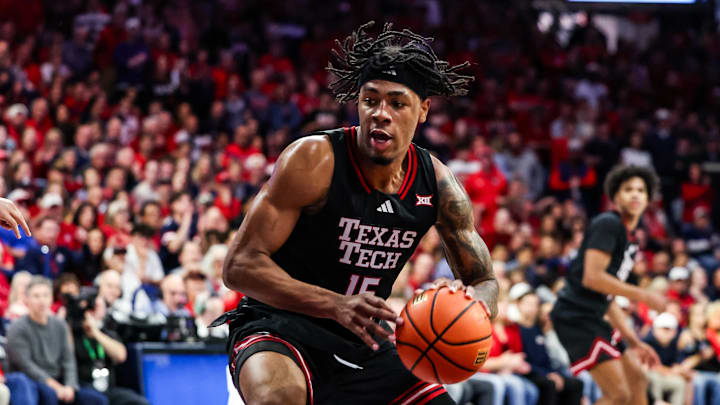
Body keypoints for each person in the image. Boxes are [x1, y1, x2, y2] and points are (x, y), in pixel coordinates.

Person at [212, 21, 498, 405]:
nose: (381, 113)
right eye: (370, 100)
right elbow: (239, 267)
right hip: (277, 326)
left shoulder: (439, 185)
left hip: (363, 340)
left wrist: (472, 306)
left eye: (397, 103)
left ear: (424, 110)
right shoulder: (314, 159)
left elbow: (484, 280)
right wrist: (335, 304)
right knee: (280, 399)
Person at [550, 165, 667, 405]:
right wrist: (644, 295)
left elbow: (607, 297)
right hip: (575, 315)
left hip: (593, 314)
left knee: (638, 379)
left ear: (648, 198)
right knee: (619, 395)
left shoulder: (630, 241)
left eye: (641, 190)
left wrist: (635, 342)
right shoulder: (608, 223)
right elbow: (592, 278)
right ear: (615, 196)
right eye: (628, 189)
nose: (635, 194)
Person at [7, 276, 108, 405]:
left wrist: (70, 386)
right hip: (33, 382)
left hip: (59, 381)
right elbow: (26, 366)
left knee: (97, 400)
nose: (41, 300)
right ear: (27, 300)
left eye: (45, 295)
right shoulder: (17, 328)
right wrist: (57, 387)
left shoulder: (60, 325)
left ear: (51, 298)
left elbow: (68, 360)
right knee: (49, 395)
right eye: (36, 296)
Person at [74, 295, 149, 405]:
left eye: (99, 307)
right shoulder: (75, 334)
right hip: (84, 386)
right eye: (92, 307)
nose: (94, 311)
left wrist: (95, 332)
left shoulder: (107, 334)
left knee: (139, 402)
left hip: (108, 388)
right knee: (97, 400)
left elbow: (121, 355)